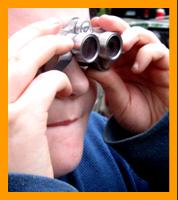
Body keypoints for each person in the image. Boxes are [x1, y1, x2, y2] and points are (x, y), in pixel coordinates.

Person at [8, 8, 169, 192]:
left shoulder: (108, 148)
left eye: (83, 51)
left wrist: (160, 144)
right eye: (29, 60)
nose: (80, 84)